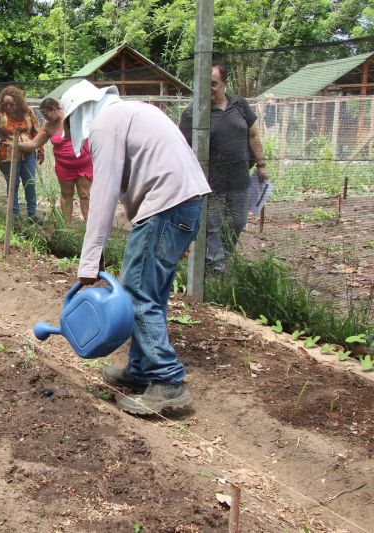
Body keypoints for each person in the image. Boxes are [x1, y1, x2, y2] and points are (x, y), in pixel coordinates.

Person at [56, 80, 212, 415]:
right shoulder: (131, 111)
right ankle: (142, 370)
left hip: (166, 204)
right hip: (185, 202)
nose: (71, 133)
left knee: (137, 294)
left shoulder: (104, 124)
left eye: (70, 124)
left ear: (80, 113)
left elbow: (104, 193)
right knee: (150, 295)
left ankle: (169, 383)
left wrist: (88, 264)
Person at [179, 64, 268, 272]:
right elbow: (181, 146)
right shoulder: (194, 112)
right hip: (211, 183)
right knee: (212, 227)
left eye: (213, 84)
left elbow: (253, 135)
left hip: (240, 179)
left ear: (224, 84)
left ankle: (224, 259)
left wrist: (262, 164)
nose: (208, 88)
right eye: (204, 84)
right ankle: (214, 268)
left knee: (238, 222)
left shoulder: (239, 104)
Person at [18, 97, 93, 223]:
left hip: (84, 165)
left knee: (85, 195)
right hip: (64, 168)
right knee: (66, 195)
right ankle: (67, 227)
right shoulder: (47, 127)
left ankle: (90, 227)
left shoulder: (74, 117)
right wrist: (16, 144)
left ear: (54, 109)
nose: (45, 118)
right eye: (43, 115)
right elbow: (34, 144)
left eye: (46, 114)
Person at [0, 85, 44, 221]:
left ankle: (32, 214)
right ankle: (15, 216)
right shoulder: (0, 114)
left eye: (11, 104)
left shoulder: (28, 112)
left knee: (30, 183)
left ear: (18, 102)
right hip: (6, 155)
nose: (8, 106)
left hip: (28, 153)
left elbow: (38, 132)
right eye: (5, 104)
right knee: (13, 184)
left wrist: (41, 150)